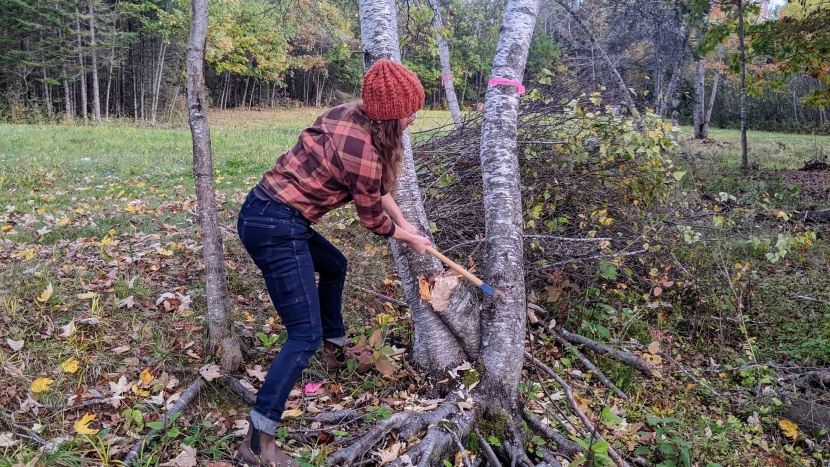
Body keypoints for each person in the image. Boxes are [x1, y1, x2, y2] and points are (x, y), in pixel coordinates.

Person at [235, 59, 432, 466]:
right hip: (276, 227)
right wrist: (407, 237)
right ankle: (257, 442)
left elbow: (377, 189)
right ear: (390, 117)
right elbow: (373, 220)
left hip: (266, 212)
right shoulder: (364, 151)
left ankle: (334, 349)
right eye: (410, 112)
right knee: (301, 336)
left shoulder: (347, 116)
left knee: (334, 265)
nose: (414, 117)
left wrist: (406, 223)